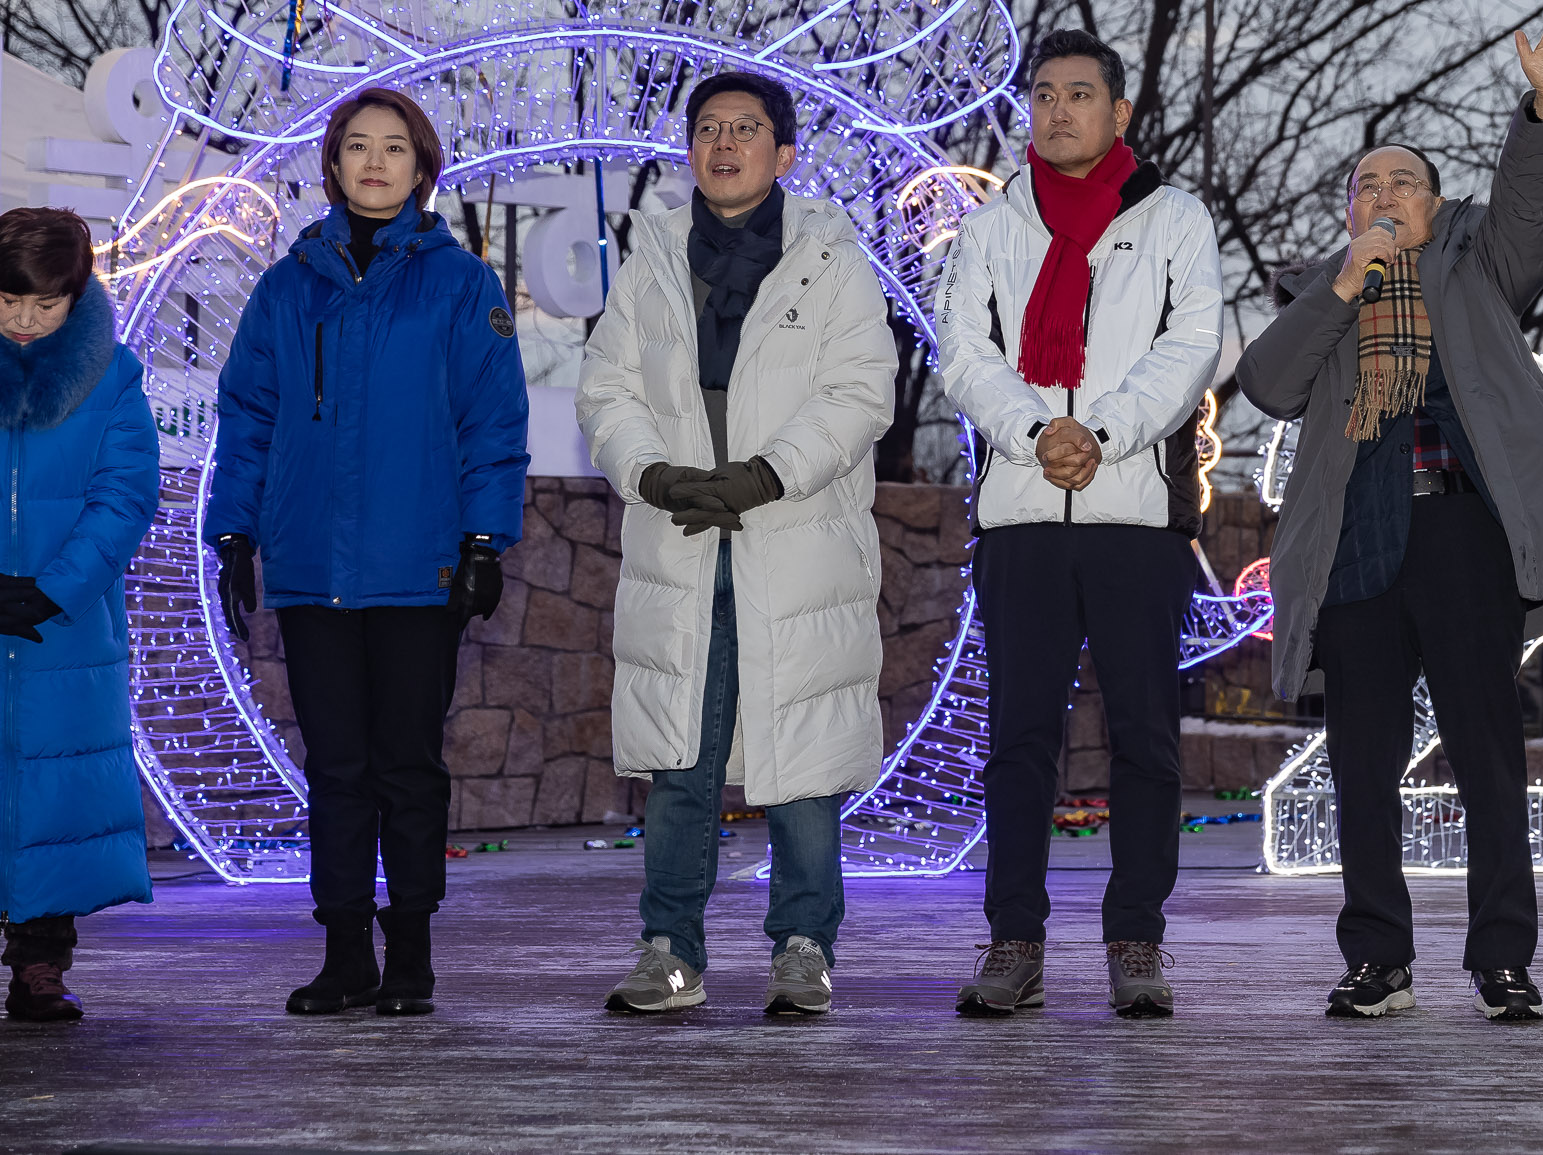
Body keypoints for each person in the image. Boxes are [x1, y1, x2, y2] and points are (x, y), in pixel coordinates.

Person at [1236, 0, 1543, 1023]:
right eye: (1368, 183)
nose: (1386, 191)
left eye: (1405, 179)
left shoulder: (1476, 265)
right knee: (1360, 765)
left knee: (1486, 752)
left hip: (1460, 532)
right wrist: (1342, 286)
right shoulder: (1328, 287)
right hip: (1358, 543)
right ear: (1348, 211)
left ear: (1439, 205)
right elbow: (1266, 383)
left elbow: (1531, 221)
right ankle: (1377, 957)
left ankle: (1501, 956)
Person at [578, 71, 896, 1018]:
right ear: (690, 151)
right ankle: (670, 948)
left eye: (746, 129)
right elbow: (607, 391)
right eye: (708, 128)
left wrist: (766, 474)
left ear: (784, 153)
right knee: (681, 759)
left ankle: (805, 945)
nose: (725, 144)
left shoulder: (832, 260)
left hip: (793, 540)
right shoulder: (650, 259)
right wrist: (654, 473)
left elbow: (860, 392)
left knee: (801, 755)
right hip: (680, 542)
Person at [208, 88, 529, 1017]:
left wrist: (482, 540)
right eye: (357, 146)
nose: (375, 162)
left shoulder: (462, 285)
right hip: (312, 571)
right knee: (336, 767)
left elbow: (493, 422)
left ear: (423, 168)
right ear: (334, 164)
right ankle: (344, 948)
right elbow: (250, 416)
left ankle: (413, 952)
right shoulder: (285, 286)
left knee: (407, 765)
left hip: (417, 570)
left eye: (395, 148)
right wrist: (233, 530)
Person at [934, 29, 1221, 1018]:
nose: (1058, 110)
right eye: (1044, 94)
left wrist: (1098, 432)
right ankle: (1014, 937)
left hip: (1134, 516)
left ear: (1119, 112)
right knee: (1019, 737)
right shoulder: (993, 225)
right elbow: (961, 350)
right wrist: (1031, 432)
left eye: (1079, 93)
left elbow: (1192, 345)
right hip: (1022, 513)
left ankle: (1136, 937)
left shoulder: (1174, 217)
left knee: (1145, 736)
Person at [0, 210, 161, 1022]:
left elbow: (125, 493)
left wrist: (53, 588)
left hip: (63, 624)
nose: (25, 320)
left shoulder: (112, 376)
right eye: (7, 301)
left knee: (54, 793)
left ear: (76, 293)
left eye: (44, 304)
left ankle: (39, 963)